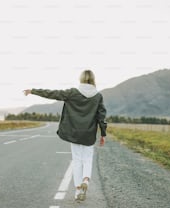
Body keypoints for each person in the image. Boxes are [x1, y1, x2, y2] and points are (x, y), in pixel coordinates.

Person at [23, 70, 107, 201]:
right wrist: (103, 134)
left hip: (74, 133)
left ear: (81, 79)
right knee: (87, 159)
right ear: (93, 80)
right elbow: (101, 116)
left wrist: (33, 91)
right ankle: (86, 180)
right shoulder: (98, 96)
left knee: (77, 160)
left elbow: (53, 94)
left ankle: (78, 190)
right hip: (89, 134)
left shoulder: (72, 93)